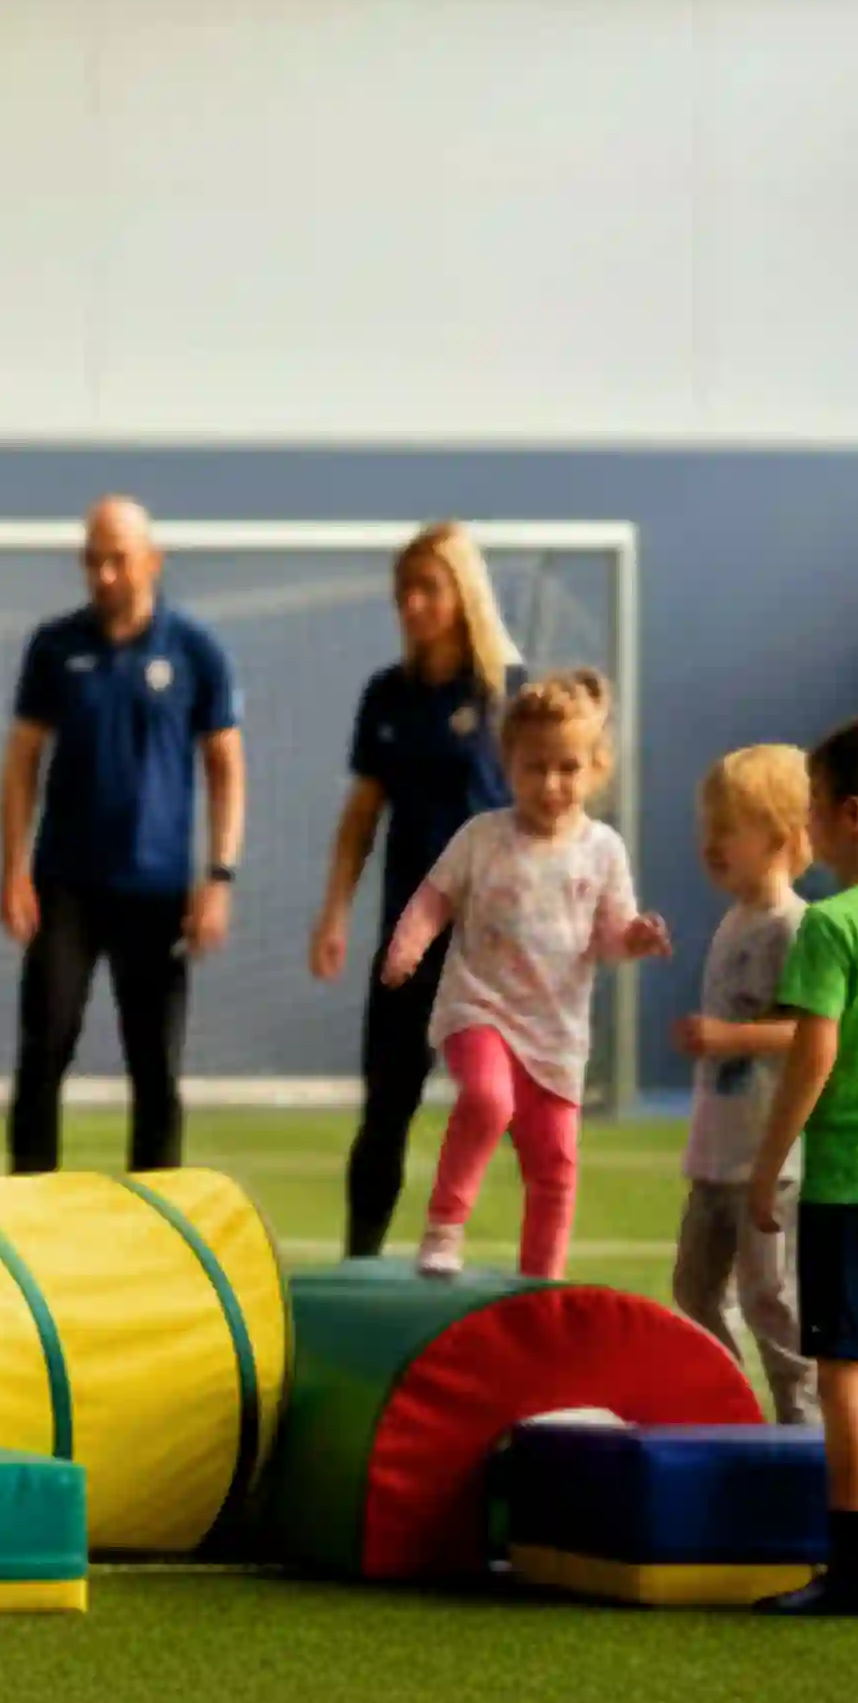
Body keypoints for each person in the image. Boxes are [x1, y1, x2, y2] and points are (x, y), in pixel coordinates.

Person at [378, 672, 667, 1278]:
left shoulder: (603, 850)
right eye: (534, 767)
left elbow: (609, 936)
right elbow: (435, 896)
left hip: (556, 1032)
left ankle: (542, 1280)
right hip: (479, 1008)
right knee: (486, 1098)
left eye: (568, 768)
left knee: (556, 1165)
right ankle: (444, 1227)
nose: (551, 784)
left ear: (596, 768)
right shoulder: (483, 838)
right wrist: (408, 943)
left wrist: (633, 937)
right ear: (507, 763)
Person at [0, 497, 245, 1175]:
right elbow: (22, 761)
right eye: (93, 560)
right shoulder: (54, 647)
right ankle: (29, 1210)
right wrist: (12, 866)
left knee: (156, 1067)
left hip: (157, 891)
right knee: (43, 1050)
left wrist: (219, 877)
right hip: (65, 888)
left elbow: (226, 768)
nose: (104, 574)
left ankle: (158, 1219)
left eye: (119, 559)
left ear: (152, 561)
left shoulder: (196, 651)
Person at [312, 523, 519, 1256]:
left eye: (428, 587)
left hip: (497, 943)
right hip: (411, 933)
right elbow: (362, 817)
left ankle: (513, 1263)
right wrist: (335, 910)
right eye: (404, 589)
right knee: (387, 1104)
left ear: (462, 594)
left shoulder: (505, 693)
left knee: (510, 1103)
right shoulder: (387, 696)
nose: (412, 603)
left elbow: (551, 812)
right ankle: (359, 1256)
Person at [747, 715, 858, 1614]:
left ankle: (851, 1576)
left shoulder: (834, 926)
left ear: (849, 814)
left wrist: (769, 1164)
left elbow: (814, 1054)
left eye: (809, 813)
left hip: (850, 1180)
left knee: (845, 1375)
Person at [675, 745, 817, 1421]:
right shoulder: (734, 923)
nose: (712, 844)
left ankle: (808, 1420)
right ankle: (728, 1407)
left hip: (769, 1160)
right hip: (715, 1155)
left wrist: (729, 1039)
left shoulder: (798, 929)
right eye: (710, 827)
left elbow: (811, 1033)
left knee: (771, 1298)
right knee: (695, 1291)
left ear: (783, 840)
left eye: (729, 828)